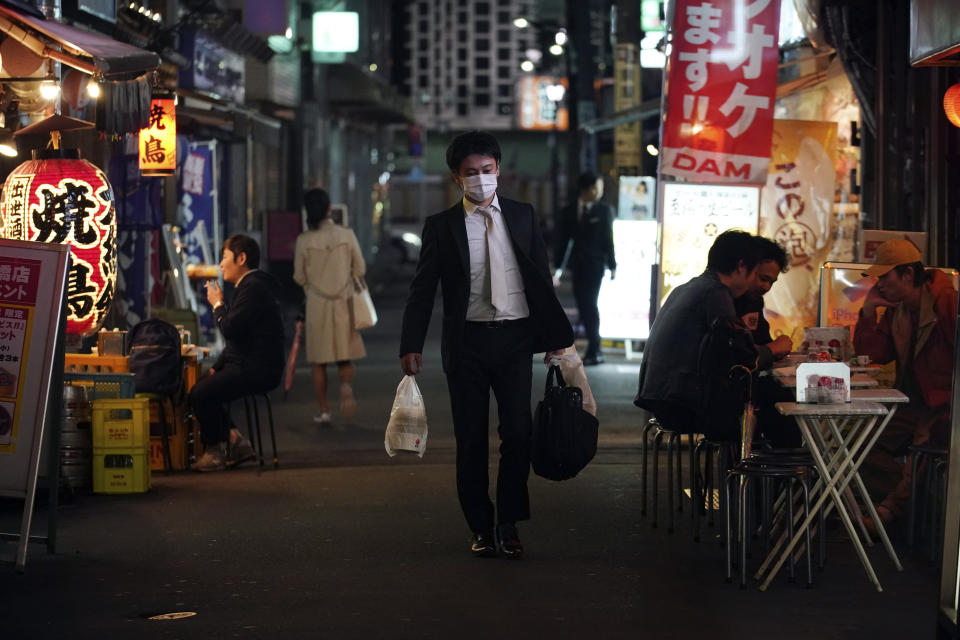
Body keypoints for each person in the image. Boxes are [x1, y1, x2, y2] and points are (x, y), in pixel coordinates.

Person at [399, 130, 573, 559]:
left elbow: (540, 280)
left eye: (487, 170)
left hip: (515, 340)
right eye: (471, 173)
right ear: (457, 178)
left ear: (498, 170)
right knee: (470, 440)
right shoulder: (441, 228)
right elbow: (423, 291)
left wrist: (554, 340)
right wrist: (411, 344)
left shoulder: (523, 215)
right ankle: (480, 526)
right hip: (467, 345)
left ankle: (509, 523)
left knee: (519, 433)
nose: (481, 179)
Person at [853, 239, 957, 530]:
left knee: (925, 444)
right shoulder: (897, 310)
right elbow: (872, 356)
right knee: (859, 445)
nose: (879, 284)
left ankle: (891, 508)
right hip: (909, 405)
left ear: (908, 275)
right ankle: (914, 496)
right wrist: (868, 311)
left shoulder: (946, 302)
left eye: (884, 277)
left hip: (943, 406)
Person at [634, 230, 759, 441]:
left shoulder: (688, 287)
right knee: (769, 408)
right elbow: (738, 358)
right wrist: (772, 351)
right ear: (741, 266)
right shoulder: (716, 293)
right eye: (755, 273)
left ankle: (735, 472)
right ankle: (756, 472)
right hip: (680, 404)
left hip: (659, 398)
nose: (754, 282)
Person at [189, 234, 285, 472]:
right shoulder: (251, 287)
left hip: (258, 369)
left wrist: (217, 304)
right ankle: (236, 441)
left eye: (224, 257)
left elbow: (230, 329)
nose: (220, 264)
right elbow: (238, 339)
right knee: (206, 386)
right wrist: (217, 367)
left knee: (200, 393)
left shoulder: (252, 288)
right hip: (253, 364)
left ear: (241, 258)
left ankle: (215, 451)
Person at [294, 187, 366, 425]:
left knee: (319, 360)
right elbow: (360, 269)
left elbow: (299, 276)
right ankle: (345, 387)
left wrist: (313, 288)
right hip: (343, 301)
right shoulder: (346, 235)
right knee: (344, 354)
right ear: (329, 209)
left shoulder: (304, 240)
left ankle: (324, 410)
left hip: (317, 303)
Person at [735, 236, 800, 448]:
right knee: (781, 400)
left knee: (786, 396)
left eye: (772, 282)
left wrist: (777, 348)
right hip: (728, 392)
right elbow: (736, 353)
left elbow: (762, 342)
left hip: (746, 385)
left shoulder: (754, 300)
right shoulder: (725, 299)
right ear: (747, 269)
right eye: (762, 278)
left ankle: (782, 469)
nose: (766, 286)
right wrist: (773, 348)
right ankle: (783, 468)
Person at [554, 171, 616, 365]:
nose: (599, 192)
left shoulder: (604, 211)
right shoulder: (569, 211)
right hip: (577, 267)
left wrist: (612, 265)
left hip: (595, 267)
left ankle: (595, 349)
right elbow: (563, 241)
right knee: (584, 306)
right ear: (586, 190)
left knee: (589, 306)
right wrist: (558, 268)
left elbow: (609, 239)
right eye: (597, 188)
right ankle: (594, 349)